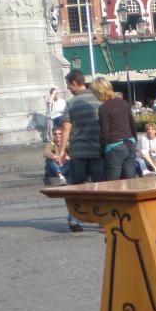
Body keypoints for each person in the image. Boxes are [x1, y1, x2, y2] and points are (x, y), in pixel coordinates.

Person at [56, 69, 103, 232]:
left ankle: (73, 219)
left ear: (74, 83)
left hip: (78, 150)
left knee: (76, 185)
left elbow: (66, 128)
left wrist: (62, 151)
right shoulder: (98, 99)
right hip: (98, 149)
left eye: (68, 85)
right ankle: (102, 219)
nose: (68, 88)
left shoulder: (71, 103)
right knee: (101, 185)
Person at [91, 76, 138, 181]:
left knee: (113, 183)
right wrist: (135, 141)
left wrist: (102, 151)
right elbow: (133, 125)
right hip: (130, 143)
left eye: (95, 93)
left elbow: (105, 133)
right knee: (131, 181)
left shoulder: (104, 108)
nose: (95, 96)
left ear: (99, 92)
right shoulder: (124, 103)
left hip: (114, 146)